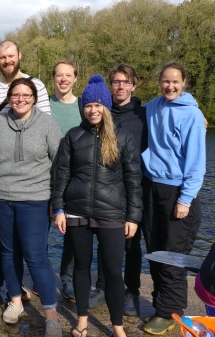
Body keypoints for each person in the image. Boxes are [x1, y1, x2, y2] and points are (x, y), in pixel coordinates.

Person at [52, 75, 142, 337]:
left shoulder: (123, 138)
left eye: (98, 105)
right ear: (84, 107)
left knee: (114, 272)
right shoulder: (73, 136)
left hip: (112, 213)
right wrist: (59, 209)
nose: (93, 110)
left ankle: (117, 327)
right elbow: (61, 176)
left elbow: (133, 180)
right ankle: (82, 319)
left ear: (106, 107)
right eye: (88, 105)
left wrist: (133, 217)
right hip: (77, 212)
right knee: (81, 267)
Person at [0, 39, 50, 302]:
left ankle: (24, 284)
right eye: (2, 57)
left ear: (20, 55)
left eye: (11, 56)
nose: (7, 60)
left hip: (32, 179)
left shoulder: (36, 85)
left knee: (28, 239)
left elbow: (45, 125)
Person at [0, 77, 62, 335]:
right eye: (15, 95)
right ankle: (15, 300)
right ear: (9, 98)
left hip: (36, 198)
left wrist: (57, 201)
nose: (20, 100)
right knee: (8, 251)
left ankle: (51, 313)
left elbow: (60, 164)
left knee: (36, 255)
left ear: (34, 98)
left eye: (26, 95)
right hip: (0, 197)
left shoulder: (47, 123)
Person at [141, 62, 206, 335]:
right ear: (159, 82)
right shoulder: (153, 106)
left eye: (175, 82)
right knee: (155, 251)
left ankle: (171, 312)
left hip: (177, 192)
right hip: (152, 188)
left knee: (172, 256)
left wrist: (185, 199)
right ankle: (161, 305)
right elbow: (129, 115)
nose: (170, 86)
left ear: (184, 83)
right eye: (166, 81)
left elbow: (196, 163)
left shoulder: (191, 115)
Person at [86, 64, 148, 314]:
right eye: (116, 82)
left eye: (126, 82)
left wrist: (198, 113)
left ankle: (131, 291)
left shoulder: (145, 115)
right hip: (106, 191)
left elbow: (172, 107)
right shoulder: (101, 110)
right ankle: (102, 287)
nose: (120, 86)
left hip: (134, 187)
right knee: (105, 241)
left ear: (133, 85)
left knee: (132, 244)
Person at [49, 60, 82, 301]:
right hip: (44, 175)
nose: (63, 79)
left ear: (75, 78)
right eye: (59, 75)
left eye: (68, 75)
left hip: (75, 178)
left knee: (73, 232)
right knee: (40, 230)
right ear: (53, 78)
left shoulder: (84, 106)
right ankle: (42, 277)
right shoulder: (44, 104)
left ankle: (67, 278)